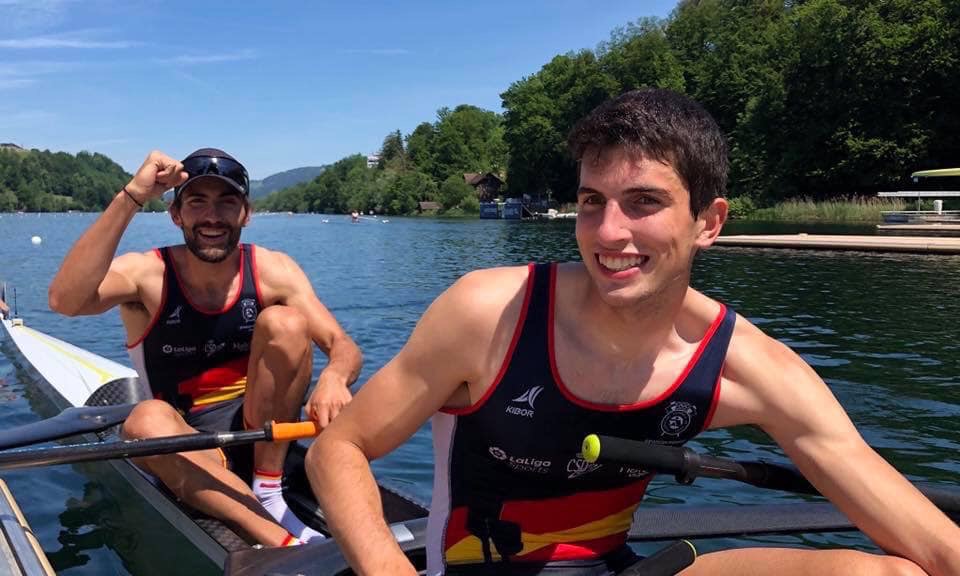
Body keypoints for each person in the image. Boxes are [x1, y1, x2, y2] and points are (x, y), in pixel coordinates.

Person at [306, 89, 960, 575]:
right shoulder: (489, 314)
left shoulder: (748, 366)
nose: (609, 232)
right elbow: (339, 449)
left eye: (644, 201)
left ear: (710, 222)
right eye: (592, 201)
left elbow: (931, 540)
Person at [48, 148, 362, 547]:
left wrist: (335, 377)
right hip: (186, 441)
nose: (212, 216)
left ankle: (268, 488)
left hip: (263, 435)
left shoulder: (274, 269)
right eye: (197, 202)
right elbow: (65, 301)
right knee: (144, 420)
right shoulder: (147, 274)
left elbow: (343, 346)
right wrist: (132, 197)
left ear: (246, 214)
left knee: (288, 323)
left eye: (227, 202)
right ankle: (279, 538)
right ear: (176, 215)